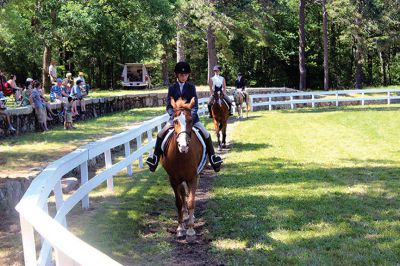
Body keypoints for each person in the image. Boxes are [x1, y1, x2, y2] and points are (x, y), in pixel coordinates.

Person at [146, 61, 223, 173]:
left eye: (186, 75)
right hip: (176, 119)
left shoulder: (191, 87)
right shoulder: (172, 88)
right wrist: (174, 115)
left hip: (190, 118)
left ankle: (213, 158)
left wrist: (190, 117)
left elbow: (195, 105)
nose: (184, 77)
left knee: (206, 133)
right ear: (177, 75)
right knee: (160, 134)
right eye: (182, 75)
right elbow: (169, 105)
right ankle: (155, 159)